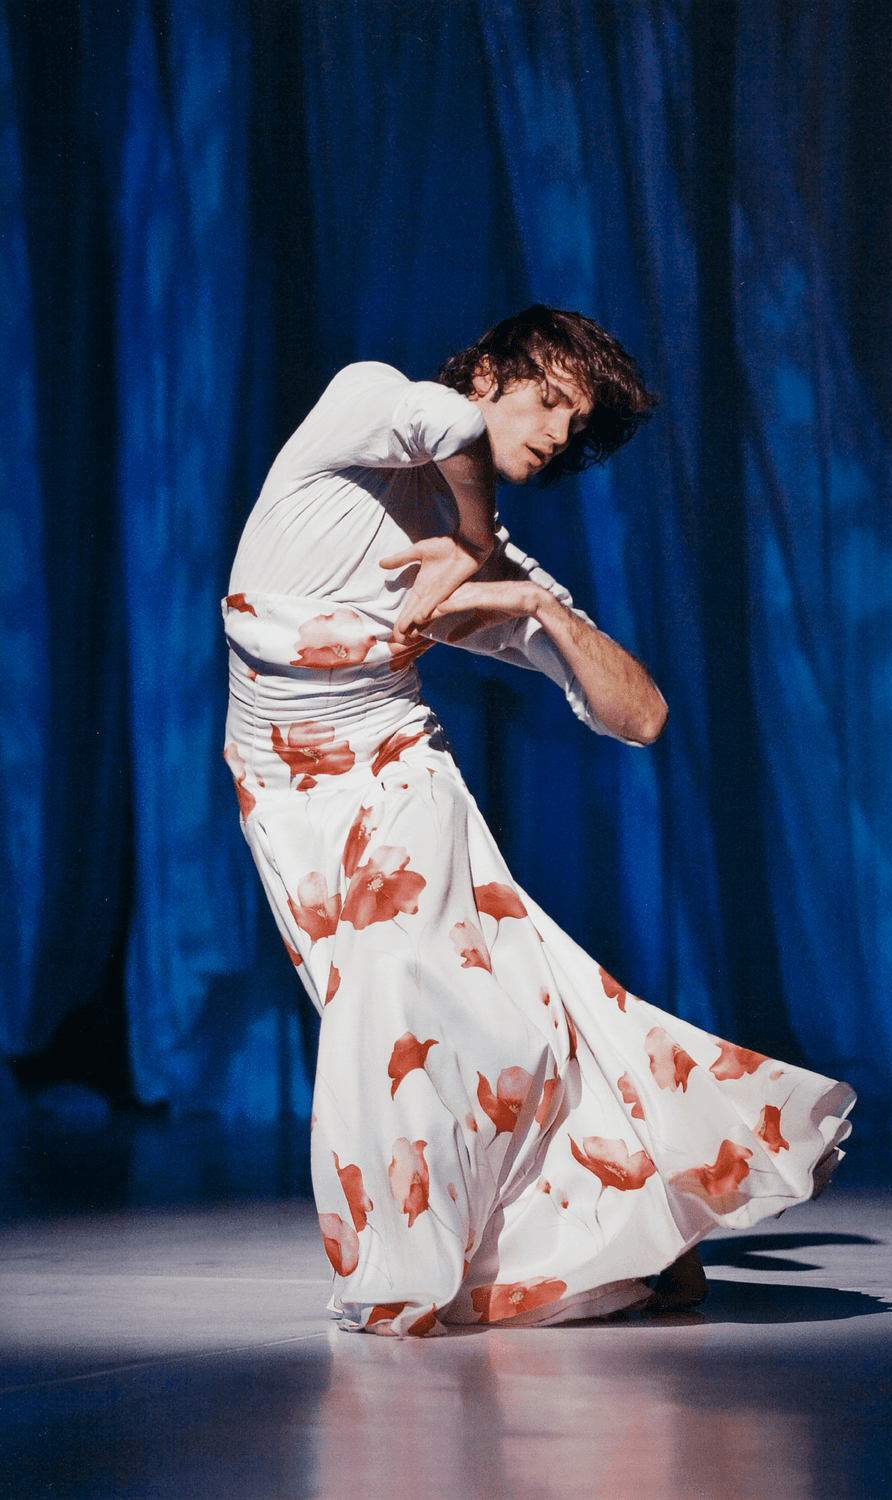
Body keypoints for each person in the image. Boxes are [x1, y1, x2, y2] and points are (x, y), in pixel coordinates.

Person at [222, 305, 854, 1337]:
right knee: (500, 1010)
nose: (560, 434)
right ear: (483, 369)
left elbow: (641, 717)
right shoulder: (363, 406)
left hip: (396, 773)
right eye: (550, 399)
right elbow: (450, 428)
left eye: (580, 421)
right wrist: (471, 543)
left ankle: (405, 1277)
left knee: (396, 1002)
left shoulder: (500, 566)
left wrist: (541, 610)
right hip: (281, 796)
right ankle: (630, 1229)